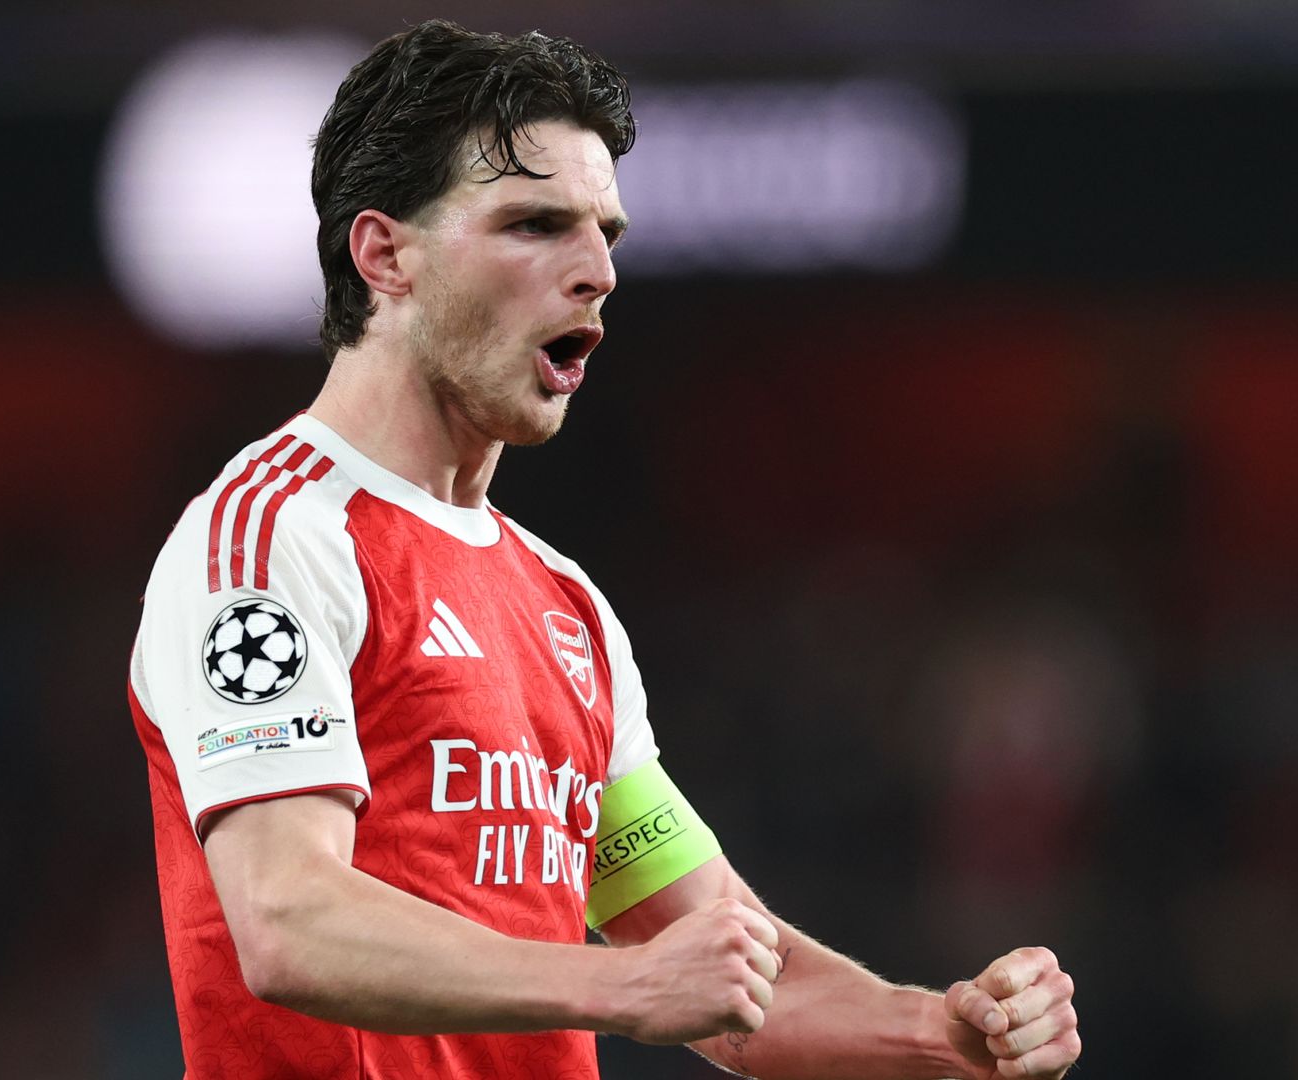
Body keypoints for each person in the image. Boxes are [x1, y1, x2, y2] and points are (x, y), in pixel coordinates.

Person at [128, 19, 1080, 1080]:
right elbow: (287, 921)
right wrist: (622, 985)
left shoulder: (561, 605)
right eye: (535, 225)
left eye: (605, 234)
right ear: (384, 255)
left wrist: (941, 1032)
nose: (596, 273)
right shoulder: (271, 538)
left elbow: (727, 979)